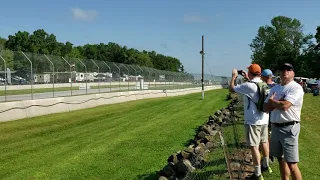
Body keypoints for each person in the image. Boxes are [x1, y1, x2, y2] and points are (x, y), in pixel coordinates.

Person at [229, 64, 271, 180]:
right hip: (264, 119)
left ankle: (257, 174)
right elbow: (254, 87)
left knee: (254, 147)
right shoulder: (264, 84)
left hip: (253, 121)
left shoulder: (248, 86)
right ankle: (266, 165)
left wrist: (234, 76)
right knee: (264, 142)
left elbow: (232, 89)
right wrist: (248, 77)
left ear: (251, 73)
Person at [263, 63, 303, 180]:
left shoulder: (295, 88)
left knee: (292, 163)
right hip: (275, 127)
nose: (285, 71)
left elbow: (285, 105)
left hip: (289, 128)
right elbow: (265, 107)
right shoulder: (275, 88)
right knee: (280, 158)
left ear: (293, 73)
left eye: (288, 69)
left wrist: (272, 101)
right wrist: (277, 102)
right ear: (279, 73)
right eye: (283, 69)